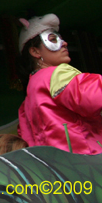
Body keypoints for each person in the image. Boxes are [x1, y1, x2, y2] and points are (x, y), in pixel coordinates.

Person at [16, 13, 102, 154]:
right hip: (87, 161)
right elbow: (91, 96)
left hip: (56, 169)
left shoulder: (27, 101)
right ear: (35, 51)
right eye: (53, 39)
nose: (64, 43)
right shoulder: (57, 74)